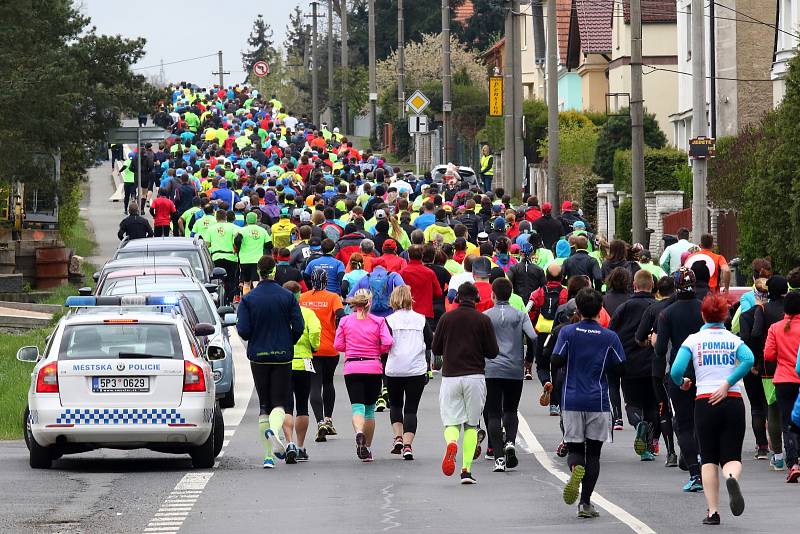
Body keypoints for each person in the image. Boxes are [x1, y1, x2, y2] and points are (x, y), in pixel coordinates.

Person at [670, 293, 754, 525]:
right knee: (732, 457)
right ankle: (731, 477)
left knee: (707, 458)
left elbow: (676, 370)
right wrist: (728, 383)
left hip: (704, 401)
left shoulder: (693, 340)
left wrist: (683, 382)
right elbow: (749, 359)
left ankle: (713, 512)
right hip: (732, 399)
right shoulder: (733, 339)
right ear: (725, 315)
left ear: (703, 314)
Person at [551, 287, 626, 519]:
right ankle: (585, 502)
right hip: (598, 400)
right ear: (600, 309)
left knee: (574, 448)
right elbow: (622, 366)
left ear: (578, 308)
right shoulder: (609, 336)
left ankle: (575, 469)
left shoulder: (567, 333)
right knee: (594, 453)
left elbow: (555, 359)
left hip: (572, 398)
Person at [236, 255, 305, 469]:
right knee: (280, 402)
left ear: (258, 272)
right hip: (283, 355)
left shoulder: (248, 299)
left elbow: (243, 331)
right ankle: (275, 432)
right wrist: (288, 341)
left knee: (263, 404)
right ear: (274, 271)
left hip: (258, 356)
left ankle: (267, 456)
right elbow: (299, 326)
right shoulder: (287, 296)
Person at [433, 282, 499, 485]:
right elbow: (493, 352)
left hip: (451, 376)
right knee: (471, 425)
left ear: (457, 298)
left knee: (451, 421)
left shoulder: (446, 318)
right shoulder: (483, 319)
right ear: (477, 298)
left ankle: (452, 443)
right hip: (475, 376)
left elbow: (436, 349)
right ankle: (466, 470)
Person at [654, 267, 705, 492]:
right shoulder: (705, 308)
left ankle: (694, 472)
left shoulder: (667, 313)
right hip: (705, 369)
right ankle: (702, 459)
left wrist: (653, 341)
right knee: (702, 419)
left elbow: (660, 349)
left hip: (679, 369)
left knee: (683, 421)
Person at [334, 289, 394, 462]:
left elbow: (338, 345)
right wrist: (378, 350)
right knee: (369, 409)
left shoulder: (345, 321)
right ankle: (366, 447)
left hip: (352, 367)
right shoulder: (378, 321)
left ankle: (359, 432)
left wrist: (351, 349)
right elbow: (388, 342)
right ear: (369, 303)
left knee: (357, 407)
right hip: (373, 367)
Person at [483, 278, 536, 472]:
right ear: (512, 293)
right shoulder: (520, 315)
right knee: (511, 410)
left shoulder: (486, 316)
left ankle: (498, 458)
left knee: (494, 412)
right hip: (514, 368)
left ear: (493, 294)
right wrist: (529, 359)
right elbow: (533, 337)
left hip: (492, 369)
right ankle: (511, 442)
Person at [611, 270, 658, 460]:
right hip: (654, 364)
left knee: (632, 403)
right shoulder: (658, 307)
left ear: (634, 286)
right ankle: (647, 446)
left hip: (629, 362)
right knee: (653, 406)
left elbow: (612, 332)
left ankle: (638, 424)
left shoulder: (625, 307)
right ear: (652, 286)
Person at [634, 275, 678, 467]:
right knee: (686, 409)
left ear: (657, 290)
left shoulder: (654, 309)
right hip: (687, 364)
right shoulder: (692, 307)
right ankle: (693, 449)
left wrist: (649, 342)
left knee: (664, 409)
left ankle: (671, 452)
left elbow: (639, 337)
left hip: (660, 365)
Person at [385, 286, 433, 460]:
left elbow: (384, 345)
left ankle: (397, 436)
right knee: (411, 409)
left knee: (396, 405)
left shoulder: (389, 320)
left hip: (394, 369)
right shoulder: (420, 319)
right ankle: (407, 445)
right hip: (416, 369)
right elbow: (430, 342)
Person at [299, 269, 345, 442]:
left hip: (310, 348)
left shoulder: (303, 298)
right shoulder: (333, 297)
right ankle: (328, 419)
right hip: (330, 348)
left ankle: (319, 422)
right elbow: (341, 315)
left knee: (314, 385)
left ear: (311, 280)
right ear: (326, 280)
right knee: (328, 382)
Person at [281, 281, 322, 463]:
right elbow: (315, 331)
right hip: (304, 361)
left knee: (287, 405)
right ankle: (300, 446)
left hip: (284, 362)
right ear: (299, 295)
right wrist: (314, 347)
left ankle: (288, 442)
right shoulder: (308, 313)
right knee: (303, 405)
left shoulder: (279, 314)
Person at [763, 290, 800, 482]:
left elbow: (768, 355)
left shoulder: (775, 328)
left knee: (787, 423)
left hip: (784, 379)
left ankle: (793, 463)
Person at [208, 210, 240, 305]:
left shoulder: (211, 228)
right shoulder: (233, 227)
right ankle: (228, 301)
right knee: (230, 279)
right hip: (230, 257)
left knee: (216, 280)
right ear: (226, 217)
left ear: (216, 218)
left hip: (216, 257)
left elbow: (207, 244)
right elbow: (238, 239)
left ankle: (217, 298)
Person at [235, 212, 271, 295]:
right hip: (258, 259)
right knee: (256, 281)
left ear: (246, 220)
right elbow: (269, 244)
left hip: (244, 259)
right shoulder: (262, 231)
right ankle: (258, 297)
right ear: (256, 219)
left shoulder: (242, 230)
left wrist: (239, 249)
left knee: (246, 282)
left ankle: (246, 299)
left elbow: (237, 240)